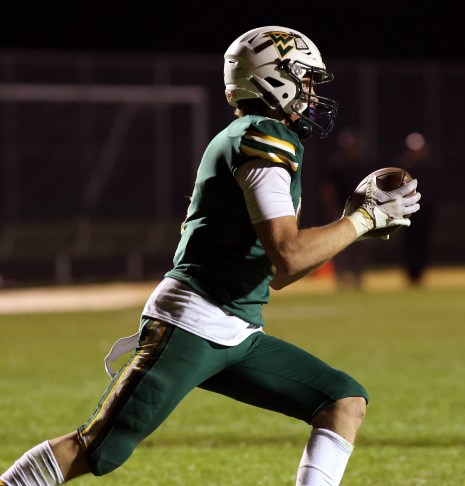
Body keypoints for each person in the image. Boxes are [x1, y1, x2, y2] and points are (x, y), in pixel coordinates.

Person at [0, 26, 420, 486]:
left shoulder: (254, 137)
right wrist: (359, 221)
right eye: (304, 78)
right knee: (97, 447)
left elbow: (275, 273)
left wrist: (353, 228)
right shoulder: (263, 138)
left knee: (342, 400)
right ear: (272, 79)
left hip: (235, 331)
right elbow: (287, 257)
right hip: (191, 324)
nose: (311, 92)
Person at [321, 128, 374, 290]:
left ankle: (358, 277)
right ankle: (342, 278)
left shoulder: (364, 164)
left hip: (360, 211)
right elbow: (328, 189)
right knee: (341, 246)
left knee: (359, 246)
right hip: (342, 210)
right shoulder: (337, 165)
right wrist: (332, 209)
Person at [393, 132, 438, 286]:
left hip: (425, 213)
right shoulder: (403, 167)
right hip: (408, 214)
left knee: (423, 244)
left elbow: (435, 191)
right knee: (408, 245)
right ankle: (410, 275)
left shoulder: (429, 167)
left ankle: (419, 275)